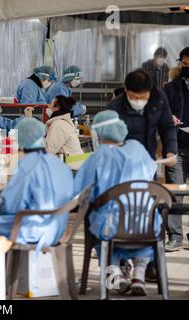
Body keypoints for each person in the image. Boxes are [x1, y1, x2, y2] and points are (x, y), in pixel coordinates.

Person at [74, 110, 159, 296]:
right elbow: (153, 178)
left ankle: (114, 274)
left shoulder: (100, 155)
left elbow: (79, 191)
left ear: (99, 132)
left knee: (94, 225)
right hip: (147, 225)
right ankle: (139, 275)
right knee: (143, 230)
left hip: (111, 226)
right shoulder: (138, 148)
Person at [0, 118, 74, 252]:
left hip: (32, 229)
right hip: (57, 229)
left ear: (19, 140)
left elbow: (11, 206)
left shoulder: (26, 165)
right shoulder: (60, 165)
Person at [107, 69, 177, 163]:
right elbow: (109, 140)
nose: (138, 101)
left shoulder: (158, 99)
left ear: (149, 91)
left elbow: (167, 126)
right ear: (126, 90)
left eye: (143, 97)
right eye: (134, 97)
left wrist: (170, 151)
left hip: (149, 158)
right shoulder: (114, 108)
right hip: (123, 161)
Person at [163, 46, 189, 251]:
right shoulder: (171, 88)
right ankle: (175, 236)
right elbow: (160, 113)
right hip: (177, 146)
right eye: (185, 64)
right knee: (175, 191)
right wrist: (167, 117)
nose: (186, 68)